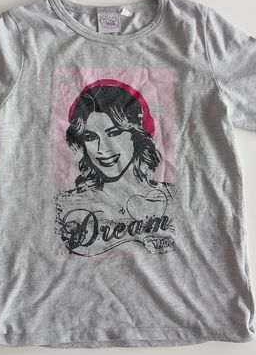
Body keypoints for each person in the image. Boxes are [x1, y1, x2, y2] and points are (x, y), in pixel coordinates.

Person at [53, 79, 176, 256]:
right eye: (90, 137)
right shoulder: (62, 206)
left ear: (137, 134)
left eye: (113, 133)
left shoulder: (173, 198)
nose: (102, 149)